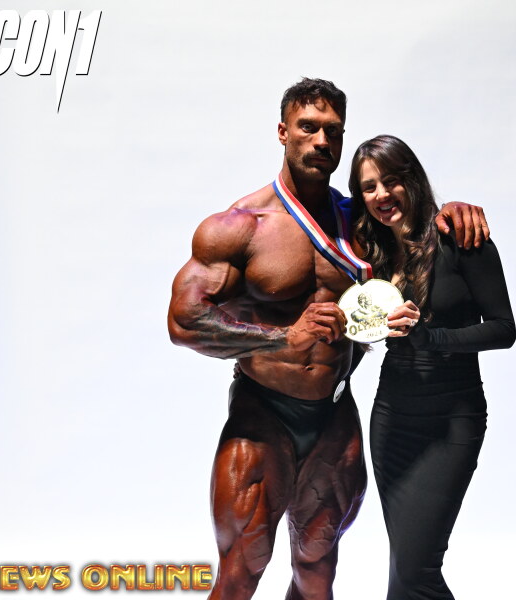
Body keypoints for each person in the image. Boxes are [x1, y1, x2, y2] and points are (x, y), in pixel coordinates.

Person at [167, 78, 489, 600]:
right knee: (242, 571)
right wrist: (281, 339)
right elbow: (184, 322)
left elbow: (415, 228)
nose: (322, 141)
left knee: (317, 573)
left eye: (333, 131)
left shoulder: (359, 225)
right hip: (261, 415)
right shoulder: (240, 226)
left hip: (335, 417)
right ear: (282, 132)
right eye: (308, 128)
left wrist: (453, 212)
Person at [348, 135, 516, 600]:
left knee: (415, 568)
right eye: (369, 187)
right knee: (403, 566)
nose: (382, 194)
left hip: (450, 421)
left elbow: (504, 329)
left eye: (391, 181)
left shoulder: (461, 240)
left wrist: (431, 337)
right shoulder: (372, 251)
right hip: (391, 420)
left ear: (412, 179)